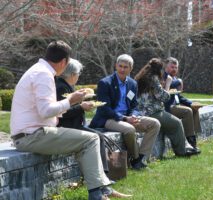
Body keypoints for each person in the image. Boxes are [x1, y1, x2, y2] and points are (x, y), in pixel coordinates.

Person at [10, 41, 114, 200]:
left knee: (87, 139)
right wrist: (71, 100)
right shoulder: (43, 74)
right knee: (91, 138)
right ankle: (97, 194)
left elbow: (43, 111)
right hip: (32, 136)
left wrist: (67, 105)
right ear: (64, 61)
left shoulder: (38, 70)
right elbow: (45, 111)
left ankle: (100, 190)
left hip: (30, 134)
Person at [55, 59, 130, 198]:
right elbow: (63, 112)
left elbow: (71, 107)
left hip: (75, 125)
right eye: (78, 74)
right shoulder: (61, 87)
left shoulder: (66, 86)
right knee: (98, 137)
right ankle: (104, 184)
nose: (78, 77)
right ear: (72, 74)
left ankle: (104, 184)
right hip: (68, 127)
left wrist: (82, 102)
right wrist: (82, 107)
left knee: (100, 137)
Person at [89, 54, 161, 170]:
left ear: (131, 69)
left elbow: (134, 105)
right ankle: (135, 160)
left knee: (155, 124)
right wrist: (125, 118)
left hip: (127, 117)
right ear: (116, 66)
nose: (122, 69)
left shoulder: (132, 84)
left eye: (125, 67)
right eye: (120, 66)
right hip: (109, 118)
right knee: (129, 129)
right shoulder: (105, 83)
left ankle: (142, 158)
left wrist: (134, 115)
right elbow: (104, 109)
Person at [135, 58, 200, 157]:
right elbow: (163, 97)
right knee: (176, 123)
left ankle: (187, 145)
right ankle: (182, 151)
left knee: (175, 122)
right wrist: (168, 84)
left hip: (142, 111)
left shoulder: (141, 77)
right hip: (152, 112)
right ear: (159, 69)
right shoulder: (154, 78)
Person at [163, 57, 200, 152]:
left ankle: (193, 138)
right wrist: (179, 81)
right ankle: (190, 142)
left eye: (176, 67)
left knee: (194, 109)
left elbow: (178, 96)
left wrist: (191, 103)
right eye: (172, 67)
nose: (174, 69)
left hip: (175, 105)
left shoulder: (174, 78)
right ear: (166, 67)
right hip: (167, 107)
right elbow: (169, 86)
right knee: (187, 111)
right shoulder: (164, 76)